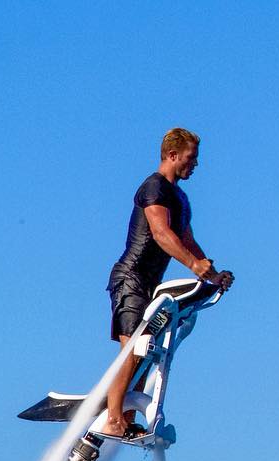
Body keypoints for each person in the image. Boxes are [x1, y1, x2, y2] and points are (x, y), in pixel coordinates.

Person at [105, 128, 234, 437]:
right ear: (172, 156)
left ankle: (128, 416)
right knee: (134, 349)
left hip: (152, 287)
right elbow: (162, 234)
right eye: (191, 158)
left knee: (147, 352)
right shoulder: (153, 188)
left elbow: (186, 239)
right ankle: (113, 417)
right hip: (131, 280)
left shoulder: (180, 197)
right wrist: (193, 265)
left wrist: (212, 275)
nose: (196, 164)